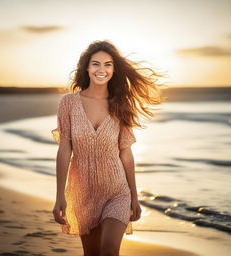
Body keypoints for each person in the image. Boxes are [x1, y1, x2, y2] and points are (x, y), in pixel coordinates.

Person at [51, 40, 164, 256]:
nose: (101, 70)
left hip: (116, 191)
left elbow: (126, 154)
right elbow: (64, 150)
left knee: (109, 250)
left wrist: (133, 196)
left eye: (108, 64)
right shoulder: (68, 103)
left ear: (114, 69)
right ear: (86, 68)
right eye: (95, 64)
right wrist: (59, 196)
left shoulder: (121, 104)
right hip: (83, 191)